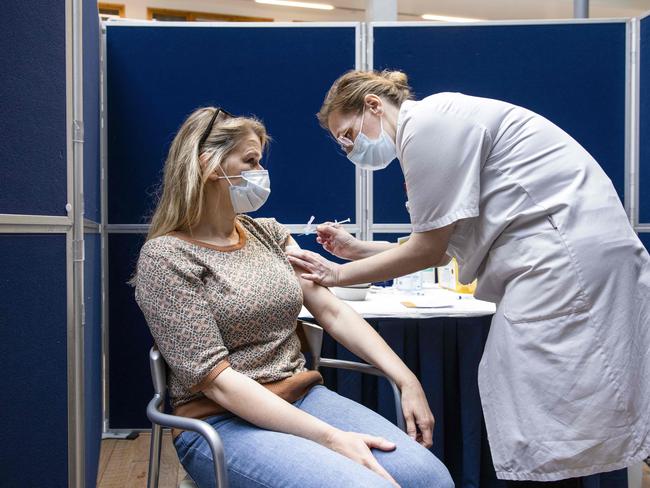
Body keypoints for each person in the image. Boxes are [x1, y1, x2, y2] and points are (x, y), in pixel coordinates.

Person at [287, 70, 650, 486]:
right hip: (563, 256)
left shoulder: (426, 126)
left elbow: (427, 249)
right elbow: (442, 246)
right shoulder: (435, 123)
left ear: (372, 105)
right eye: (341, 144)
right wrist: (358, 250)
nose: (350, 149)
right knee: (551, 401)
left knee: (551, 402)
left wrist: (338, 273)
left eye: (348, 134)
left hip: (565, 261)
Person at [132, 106, 454, 488]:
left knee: (431, 479)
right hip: (219, 421)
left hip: (302, 397)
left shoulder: (268, 233)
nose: (260, 172)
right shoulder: (166, 257)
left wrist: (406, 379)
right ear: (209, 166)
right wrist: (331, 438)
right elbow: (217, 382)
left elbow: (331, 311)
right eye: (250, 160)